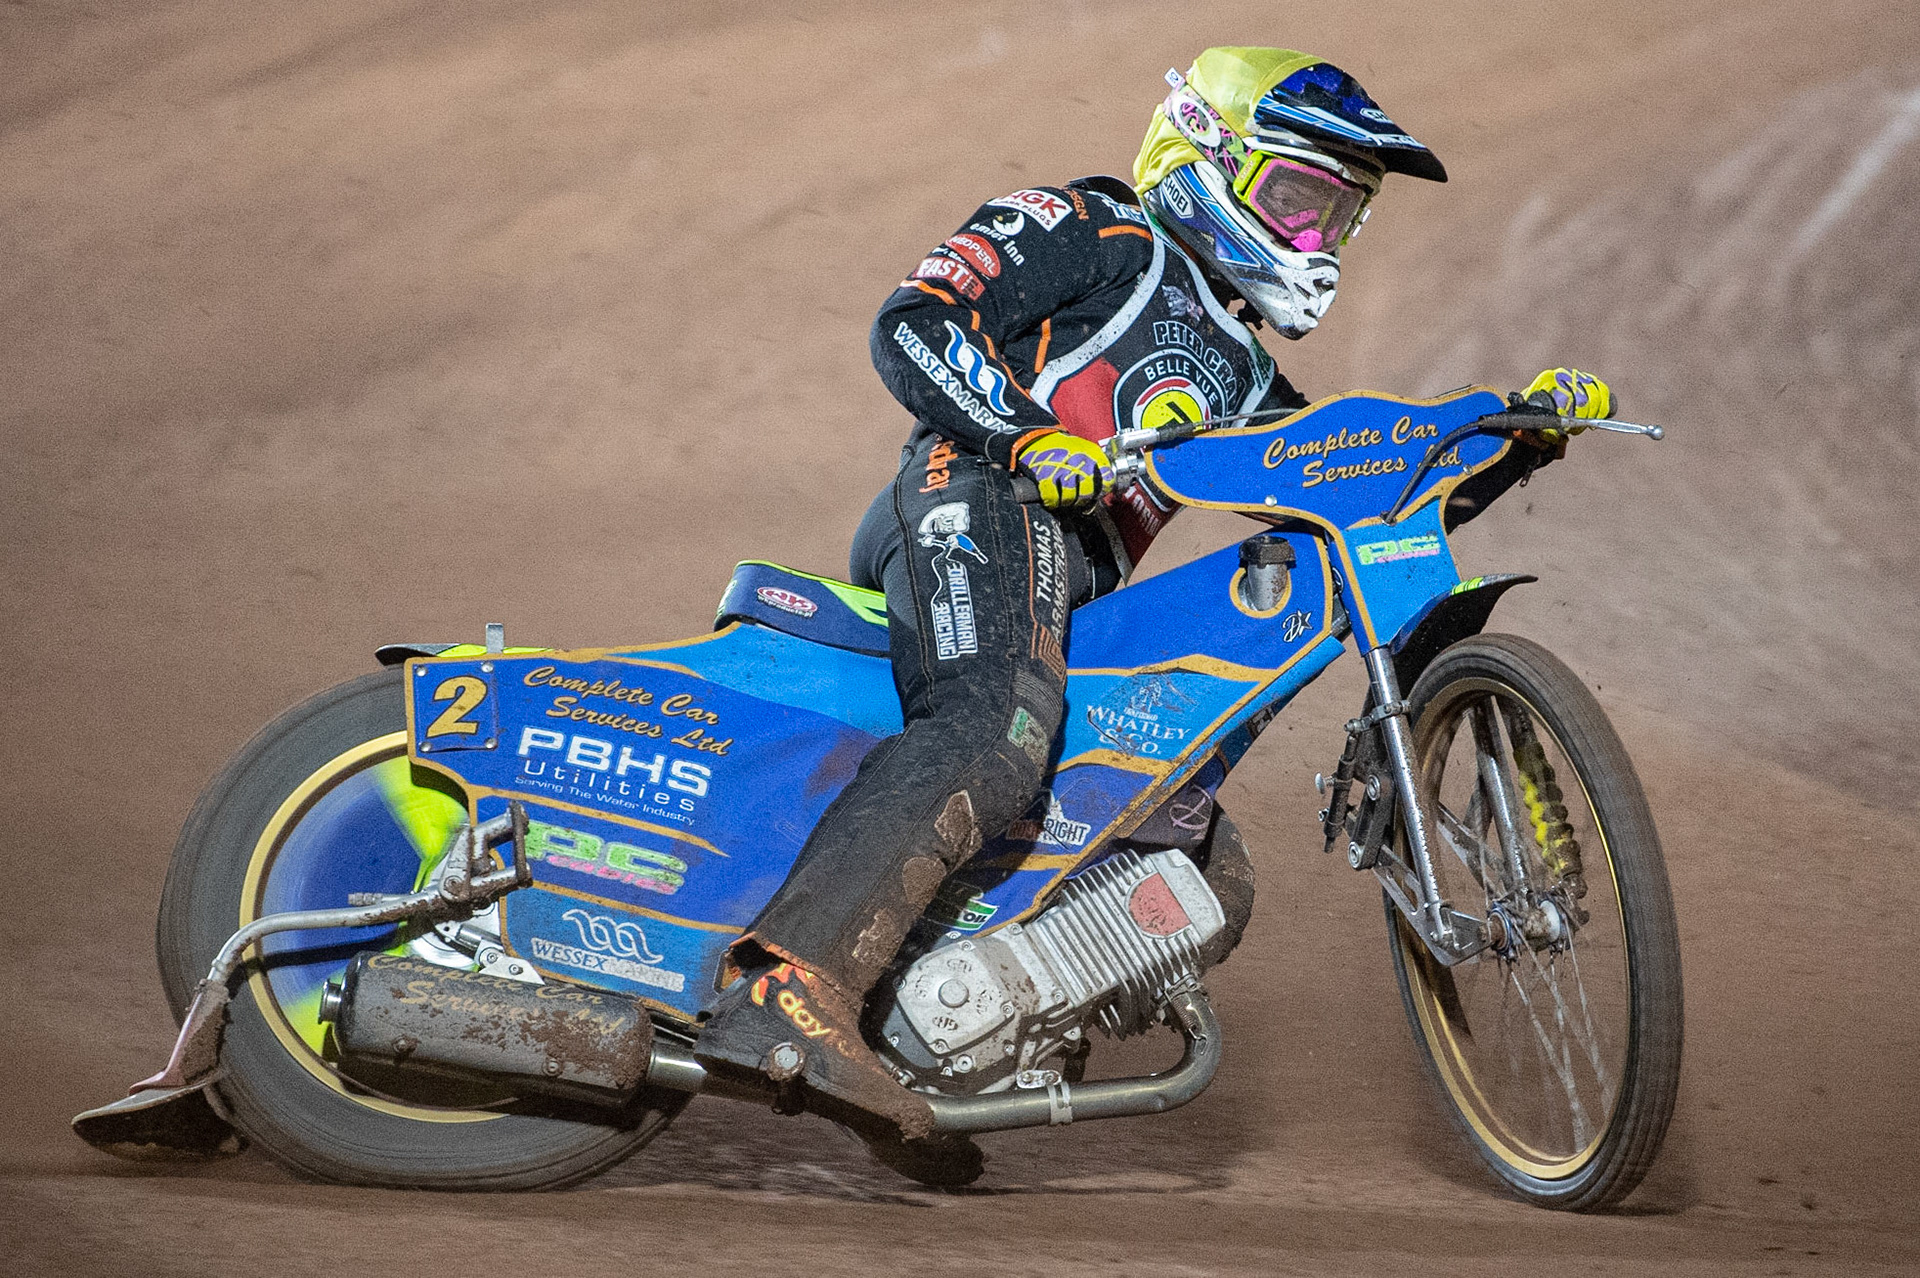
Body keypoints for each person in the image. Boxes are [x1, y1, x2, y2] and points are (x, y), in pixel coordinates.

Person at [692, 46, 1614, 1154]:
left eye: (1341, 219)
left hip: (1073, 589)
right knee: (998, 724)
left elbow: (1357, 500)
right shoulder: (1100, 226)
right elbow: (918, 320)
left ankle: (923, 1035)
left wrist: (1509, 443)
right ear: (1203, 156)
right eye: (1299, 201)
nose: (1317, 242)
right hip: (976, 490)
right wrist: (1032, 436)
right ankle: (782, 990)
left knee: (1188, 853)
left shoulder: (1246, 372)